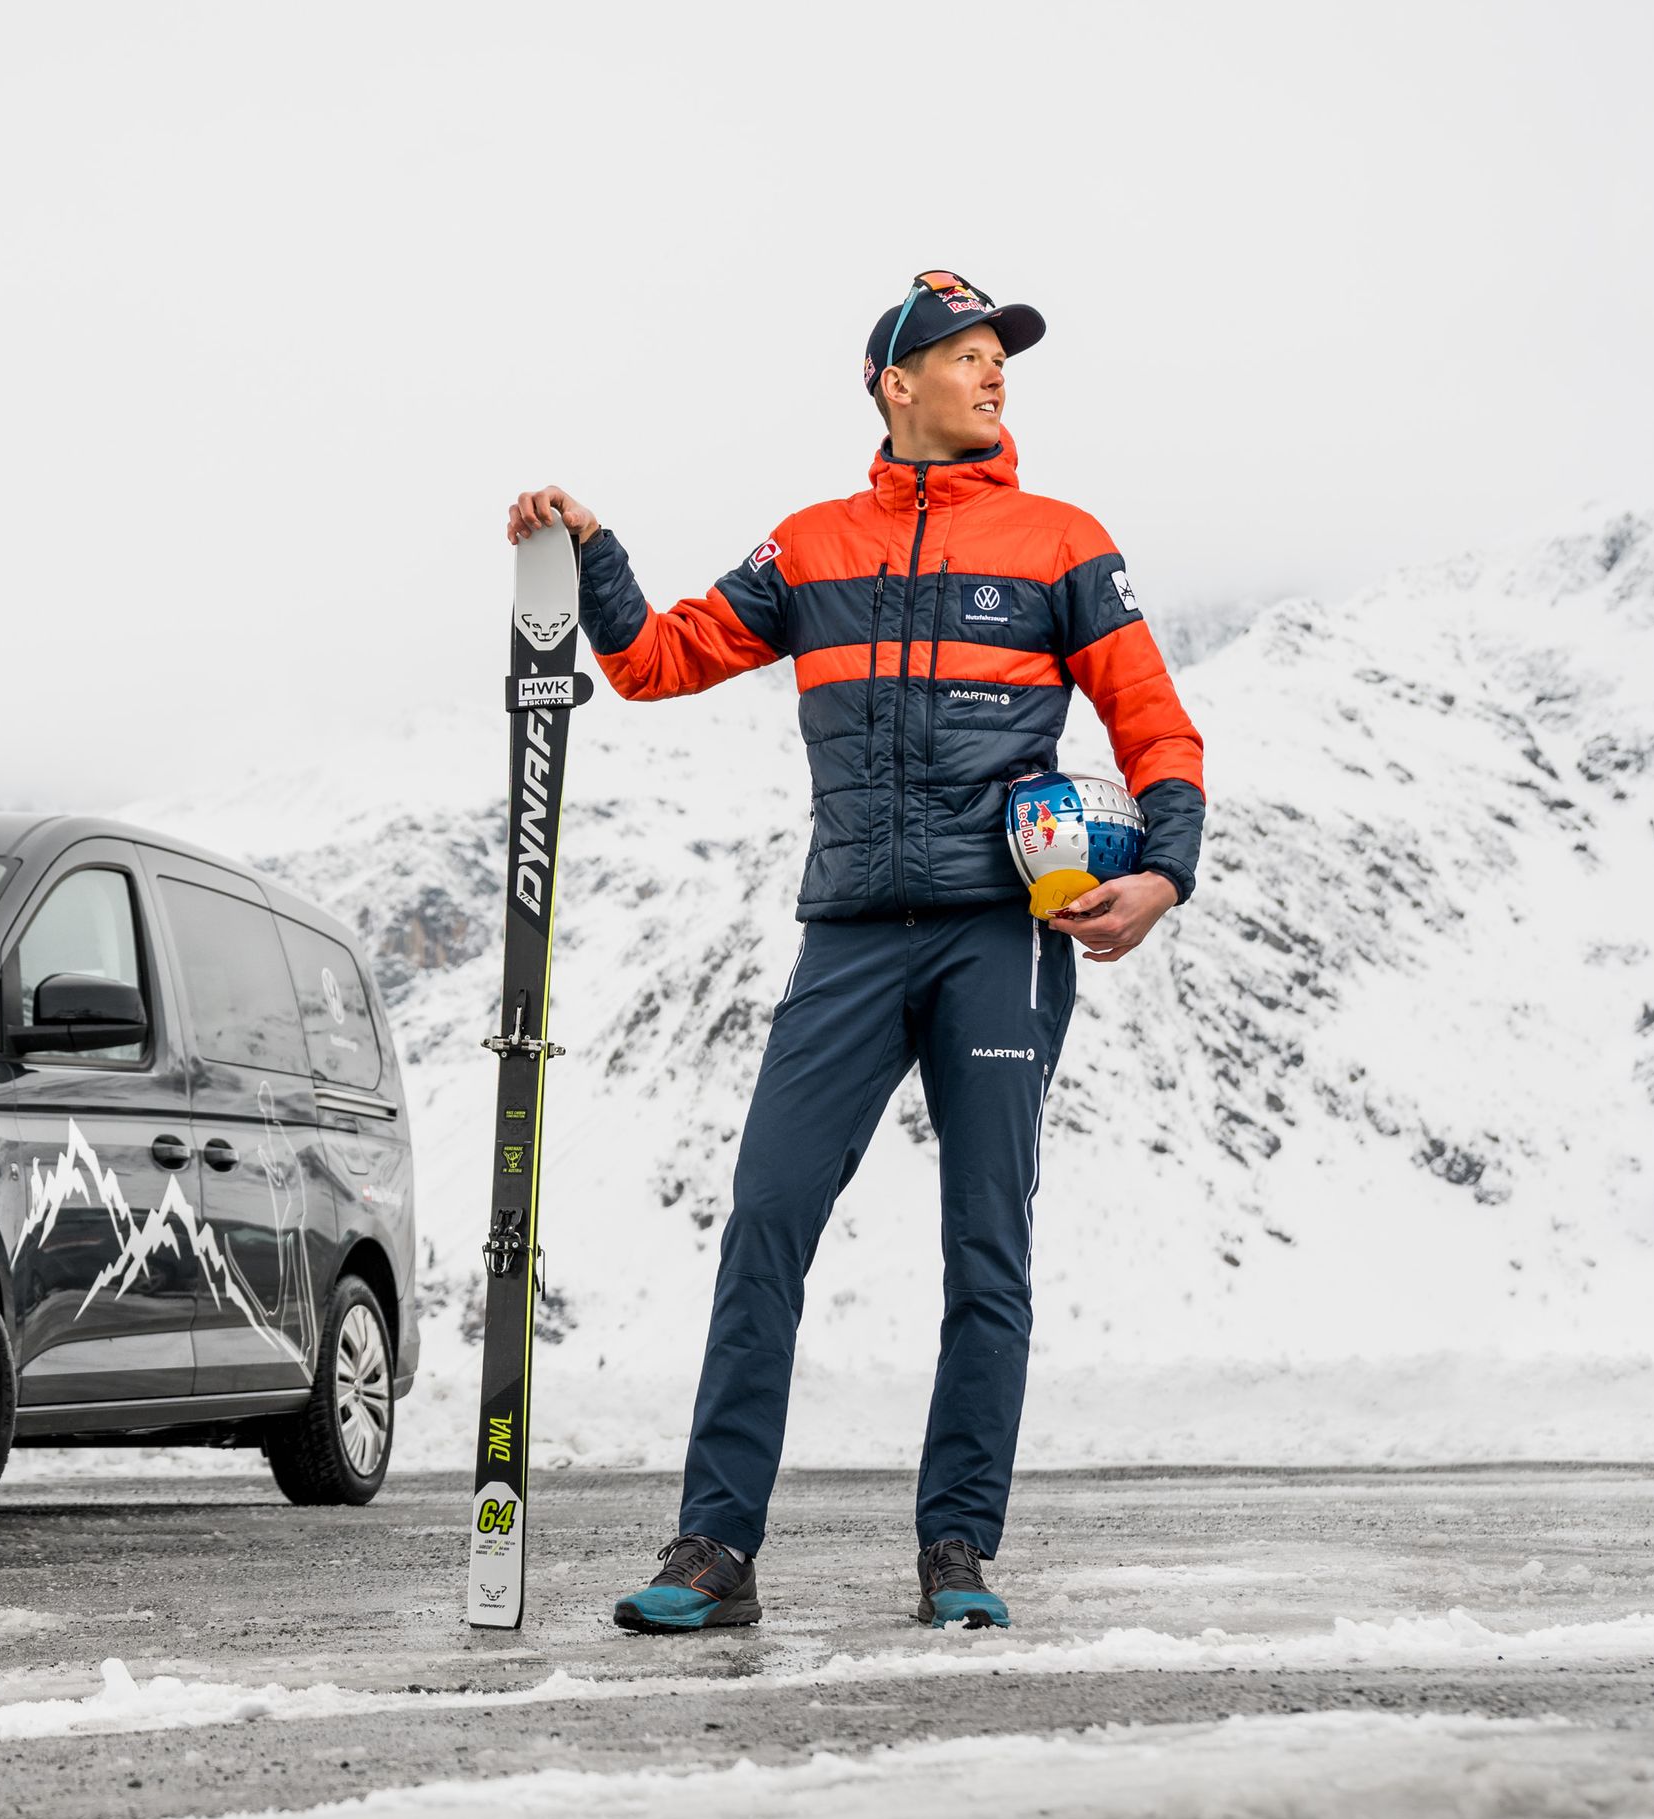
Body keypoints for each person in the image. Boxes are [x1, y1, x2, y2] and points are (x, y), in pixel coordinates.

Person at [502, 268, 1205, 1634]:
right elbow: (654, 661)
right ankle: (715, 1551)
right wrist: (590, 549)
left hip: (1001, 934)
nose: (994, 372)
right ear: (896, 382)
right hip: (848, 938)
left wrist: (1165, 872)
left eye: (1003, 356)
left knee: (984, 1245)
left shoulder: (1063, 540)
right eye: (966, 353)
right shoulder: (811, 547)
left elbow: (1153, 723)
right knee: (767, 1216)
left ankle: (958, 1552)